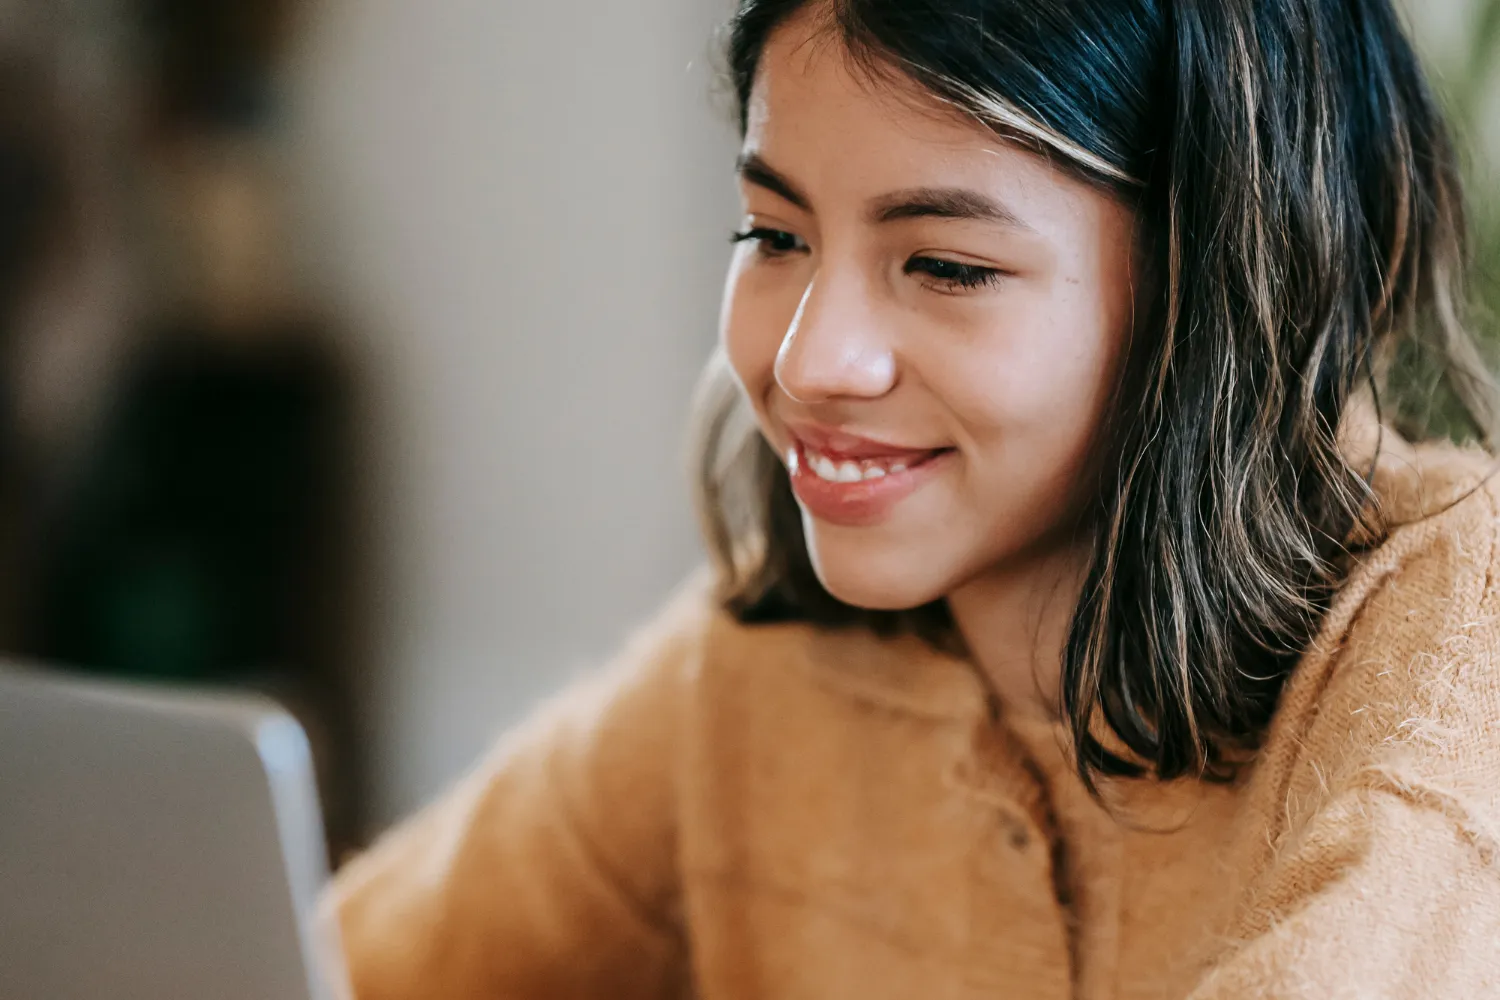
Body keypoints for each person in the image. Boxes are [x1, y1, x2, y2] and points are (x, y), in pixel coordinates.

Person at [325, 1, 1500, 996]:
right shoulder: (756, 673)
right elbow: (328, 963)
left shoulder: (1455, 628)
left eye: (946, 265)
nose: (808, 361)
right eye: (772, 234)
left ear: (1226, 278)